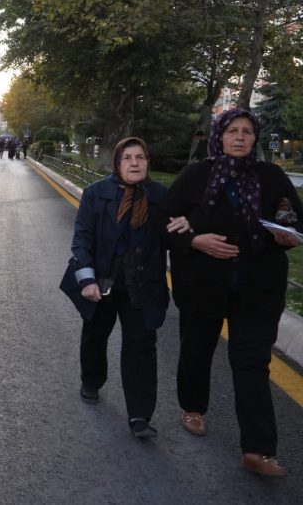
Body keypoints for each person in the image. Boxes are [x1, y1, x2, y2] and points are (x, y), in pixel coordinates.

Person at [165, 108, 303, 476]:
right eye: (232, 131)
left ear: (255, 138)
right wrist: (195, 240)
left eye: (247, 131)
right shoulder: (197, 176)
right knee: (197, 353)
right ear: (220, 136)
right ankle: (193, 408)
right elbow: (163, 220)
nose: (240, 137)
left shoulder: (271, 177)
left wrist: (287, 236)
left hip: (258, 290)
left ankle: (258, 450)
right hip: (202, 285)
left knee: (252, 365)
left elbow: (293, 220)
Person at [61, 137, 184, 440]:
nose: (134, 163)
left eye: (140, 157)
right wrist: (87, 279)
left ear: (147, 162)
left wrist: (184, 224)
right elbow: (82, 239)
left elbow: (172, 238)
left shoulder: (160, 197)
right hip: (101, 284)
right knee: (95, 334)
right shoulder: (96, 194)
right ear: (117, 163)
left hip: (141, 287)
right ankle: (91, 380)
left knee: (141, 347)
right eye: (127, 157)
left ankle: (140, 415)